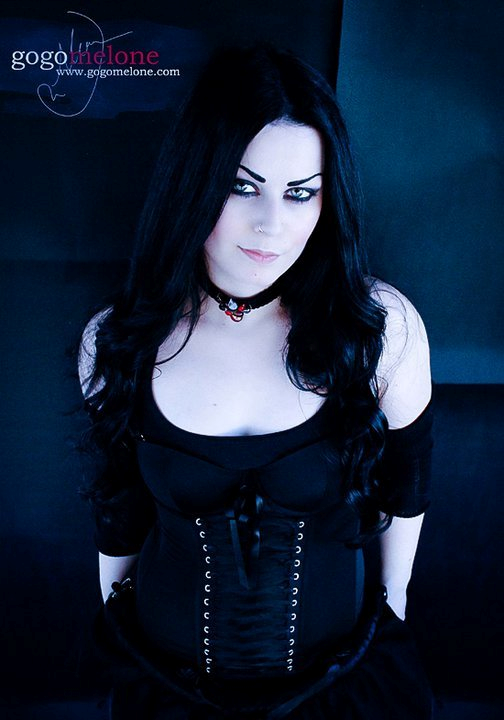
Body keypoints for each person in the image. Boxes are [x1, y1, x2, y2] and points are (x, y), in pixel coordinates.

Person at [78, 44, 434, 719]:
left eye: (300, 193)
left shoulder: (382, 329)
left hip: (338, 686)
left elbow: (407, 484)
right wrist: (116, 639)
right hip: (166, 686)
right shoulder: (119, 341)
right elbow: (117, 516)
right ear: (195, 183)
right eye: (243, 187)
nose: (272, 224)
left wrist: (394, 603)